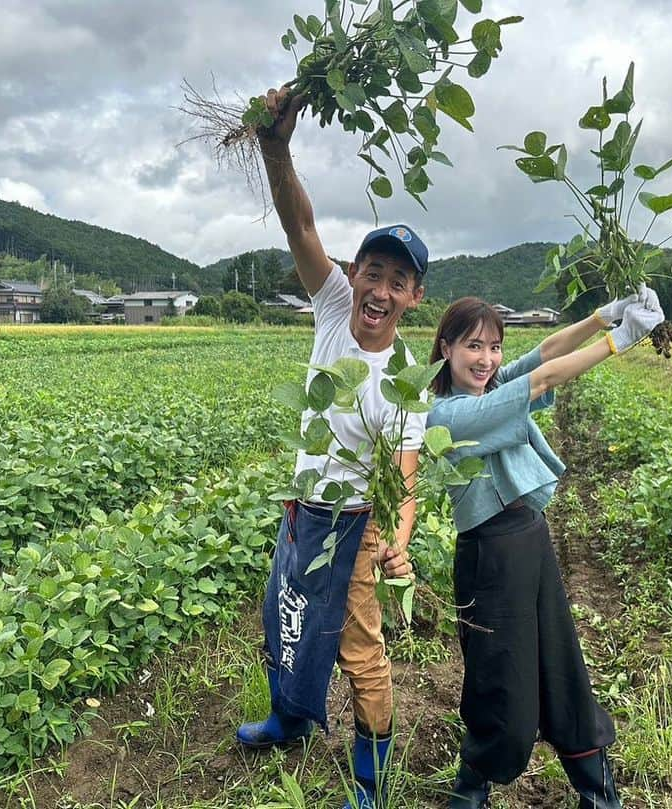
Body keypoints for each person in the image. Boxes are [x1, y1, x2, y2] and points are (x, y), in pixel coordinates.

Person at [234, 85, 427, 809]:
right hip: (303, 507)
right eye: (372, 271)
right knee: (285, 610)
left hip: (356, 523)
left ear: (414, 297)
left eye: (397, 281)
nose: (378, 289)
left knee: (358, 650)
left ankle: (372, 782)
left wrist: (397, 539)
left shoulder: (407, 379)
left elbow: (404, 476)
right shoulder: (334, 305)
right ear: (355, 274)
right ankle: (289, 720)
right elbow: (301, 225)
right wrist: (275, 147)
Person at [425, 291, 665, 809]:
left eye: (494, 346)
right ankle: (472, 791)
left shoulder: (488, 387)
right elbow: (545, 379)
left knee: (561, 666)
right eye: (473, 346)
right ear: (445, 348)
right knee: (499, 680)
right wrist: (620, 340)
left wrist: (605, 314)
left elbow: (546, 354)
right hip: (489, 556)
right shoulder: (449, 415)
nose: (487, 359)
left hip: (531, 538)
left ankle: (598, 796)